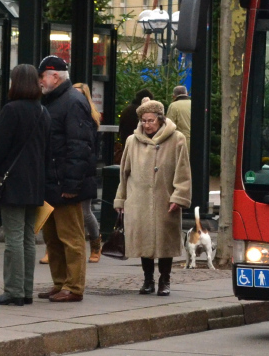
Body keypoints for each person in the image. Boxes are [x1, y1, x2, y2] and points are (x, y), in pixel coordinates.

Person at [0, 64, 49, 306]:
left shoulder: (11, 110)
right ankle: (26, 290)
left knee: (14, 239)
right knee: (29, 239)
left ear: (15, 83)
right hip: (35, 183)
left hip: (13, 182)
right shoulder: (43, 112)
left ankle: (13, 291)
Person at [115, 98, 191, 296]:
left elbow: (183, 171)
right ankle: (148, 279)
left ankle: (164, 279)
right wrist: (121, 199)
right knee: (144, 241)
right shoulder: (132, 141)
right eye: (144, 121)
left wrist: (179, 196)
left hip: (164, 198)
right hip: (138, 199)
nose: (147, 125)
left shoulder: (177, 139)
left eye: (151, 121)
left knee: (164, 241)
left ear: (160, 119)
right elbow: (124, 173)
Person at [37, 56, 98, 303]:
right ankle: (60, 282)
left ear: (54, 76)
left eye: (41, 76)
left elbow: (80, 146)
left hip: (66, 185)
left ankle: (74, 287)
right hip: (52, 183)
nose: (39, 81)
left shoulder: (72, 102)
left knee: (71, 238)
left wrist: (72, 185)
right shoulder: (54, 100)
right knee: (52, 238)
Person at [73, 82, 104, 263]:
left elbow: (91, 149)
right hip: (70, 168)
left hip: (85, 170)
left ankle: (95, 243)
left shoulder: (91, 119)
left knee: (85, 212)